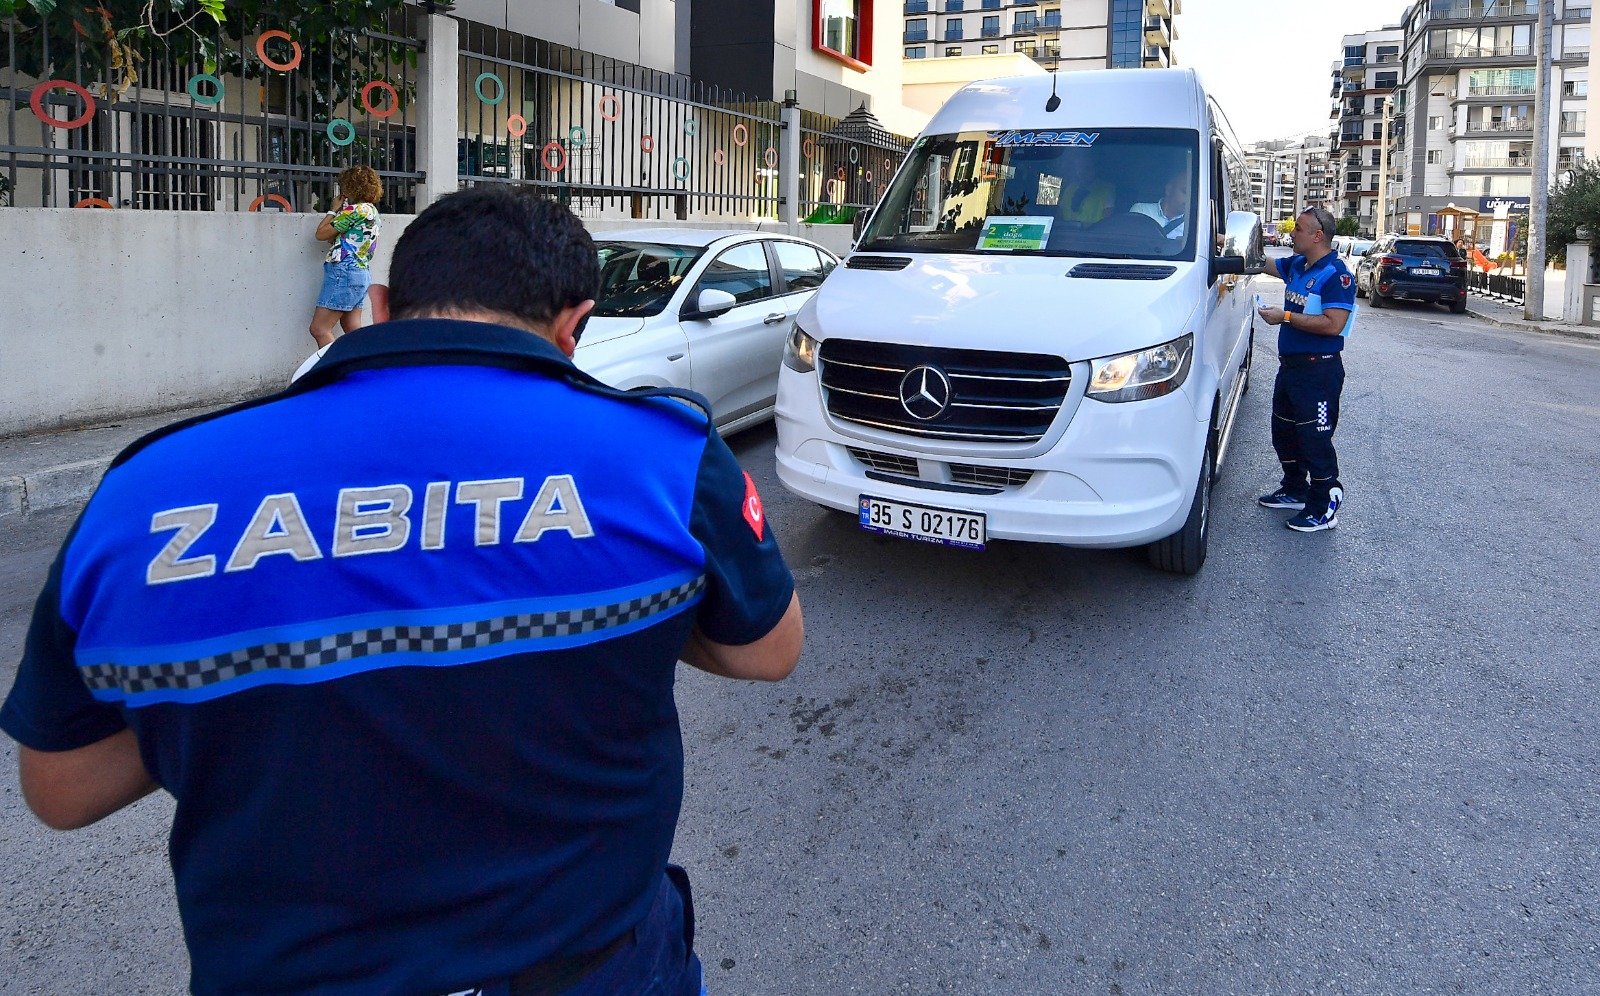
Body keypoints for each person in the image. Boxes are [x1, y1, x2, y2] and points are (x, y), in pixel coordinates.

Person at [2, 186, 804, 995]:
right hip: (596, 972)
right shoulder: (664, 455)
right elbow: (770, 651)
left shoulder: (148, 489)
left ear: (382, 306)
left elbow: (62, 789)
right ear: (576, 324)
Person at [1253, 205, 1357, 532]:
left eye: (1298, 228)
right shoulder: (1299, 264)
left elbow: (1333, 324)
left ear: (1317, 236)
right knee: (1284, 433)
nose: (1292, 233)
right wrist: (1223, 238)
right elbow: (1264, 262)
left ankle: (1324, 505)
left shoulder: (1336, 275)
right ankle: (1295, 489)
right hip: (1291, 369)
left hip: (1319, 373)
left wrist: (1284, 316)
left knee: (1315, 440)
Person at [309, 164, 384, 348]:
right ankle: (369, 364)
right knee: (352, 328)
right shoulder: (372, 212)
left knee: (320, 329)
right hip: (360, 273)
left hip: (345, 271)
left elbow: (321, 234)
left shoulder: (355, 210)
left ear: (352, 187)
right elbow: (339, 238)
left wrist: (333, 210)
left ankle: (333, 366)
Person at [1128, 163, 1189, 239]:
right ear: (1169, 190)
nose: (1189, 198)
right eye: (1185, 192)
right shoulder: (1142, 211)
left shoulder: (1195, 223)